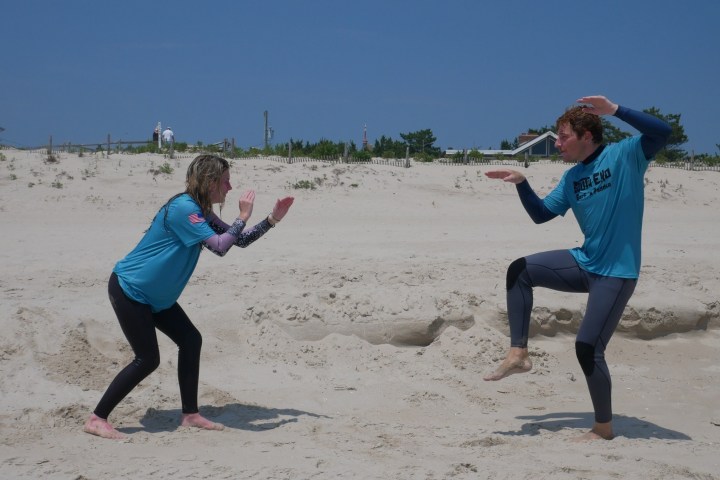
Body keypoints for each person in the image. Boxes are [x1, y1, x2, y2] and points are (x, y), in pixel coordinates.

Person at [483, 95, 671, 441]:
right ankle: (518, 353)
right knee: (520, 270)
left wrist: (615, 110)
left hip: (616, 271)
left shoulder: (625, 155)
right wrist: (522, 184)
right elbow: (541, 215)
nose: (557, 142)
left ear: (587, 135)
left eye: (564, 135)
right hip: (586, 262)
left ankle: (603, 428)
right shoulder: (572, 180)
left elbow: (663, 132)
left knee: (587, 348)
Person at [84, 154, 294, 440]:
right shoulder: (185, 209)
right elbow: (221, 247)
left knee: (190, 340)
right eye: (225, 181)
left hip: (157, 298)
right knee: (147, 359)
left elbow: (238, 240)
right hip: (131, 289)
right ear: (210, 182)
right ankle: (97, 418)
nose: (229, 187)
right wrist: (242, 216)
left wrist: (272, 219)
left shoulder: (201, 210)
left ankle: (190, 414)